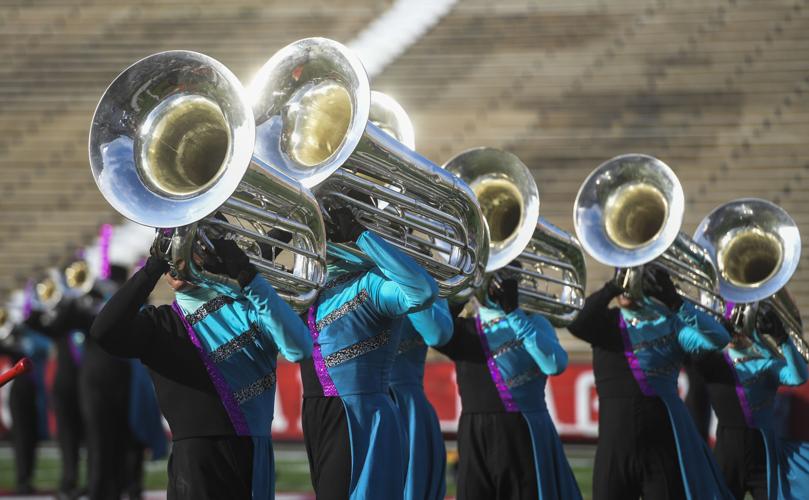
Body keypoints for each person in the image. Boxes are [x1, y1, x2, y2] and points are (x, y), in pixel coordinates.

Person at [90, 238, 312, 500]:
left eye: (188, 250)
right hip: (194, 468)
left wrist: (250, 278)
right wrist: (151, 269)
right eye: (171, 256)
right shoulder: (159, 324)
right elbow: (103, 331)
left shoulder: (249, 306)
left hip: (253, 457)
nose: (178, 260)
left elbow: (299, 348)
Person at [300, 205, 439, 500]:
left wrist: (362, 237)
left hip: (361, 416)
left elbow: (422, 292)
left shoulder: (371, 282)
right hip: (316, 411)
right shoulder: (309, 284)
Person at [567, 267, 732, 500]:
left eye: (634, 278)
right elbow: (576, 323)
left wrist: (676, 303)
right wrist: (611, 288)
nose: (628, 284)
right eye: (623, 276)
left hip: (662, 444)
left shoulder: (670, 322)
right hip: (614, 448)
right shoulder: (604, 322)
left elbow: (719, 339)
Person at [438, 267, 581, 500]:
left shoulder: (534, 322)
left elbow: (555, 365)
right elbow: (433, 332)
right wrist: (460, 292)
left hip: (523, 431)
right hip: (474, 435)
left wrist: (513, 312)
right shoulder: (463, 328)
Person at [696, 303, 809, 499]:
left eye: (738, 324)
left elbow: (799, 378)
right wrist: (714, 330)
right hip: (726, 455)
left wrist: (782, 339)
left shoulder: (764, 363)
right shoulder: (713, 362)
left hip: (763, 457)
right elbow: (687, 344)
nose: (734, 330)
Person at [390, 298, 453, 500]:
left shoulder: (423, 281)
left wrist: (408, 276)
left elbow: (436, 334)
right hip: (354, 403)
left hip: (408, 410)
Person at [0, 318, 51, 495]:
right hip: (16, 393)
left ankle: (26, 478)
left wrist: (20, 331)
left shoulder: (29, 337)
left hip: (32, 392)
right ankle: (22, 479)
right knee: (21, 437)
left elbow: (44, 348)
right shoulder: (7, 341)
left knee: (31, 437)